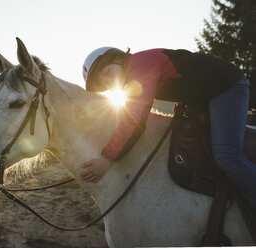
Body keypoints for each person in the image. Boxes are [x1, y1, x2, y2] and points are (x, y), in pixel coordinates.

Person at [80, 47, 256, 209]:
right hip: (208, 96)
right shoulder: (138, 67)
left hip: (226, 86)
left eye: (106, 73)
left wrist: (106, 159)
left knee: (227, 156)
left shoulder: (139, 65)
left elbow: (134, 119)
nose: (107, 82)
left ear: (116, 58)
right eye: (103, 84)